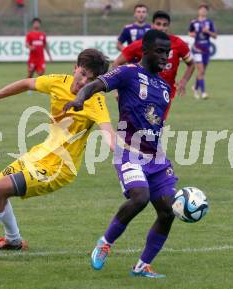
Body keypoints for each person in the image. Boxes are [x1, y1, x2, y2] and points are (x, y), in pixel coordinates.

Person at [0, 49, 115, 260]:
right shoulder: (59, 81)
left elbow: (108, 131)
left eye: (91, 79)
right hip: (39, 154)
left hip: (59, 168)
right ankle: (14, 240)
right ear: (75, 68)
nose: (84, 82)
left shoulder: (95, 101)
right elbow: (26, 83)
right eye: (82, 73)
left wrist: (123, 150)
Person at [64, 30, 177, 278]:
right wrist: (80, 99)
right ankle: (105, 242)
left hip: (156, 157)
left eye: (167, 52)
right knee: (139, 197)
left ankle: (142, 266)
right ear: (144, 50)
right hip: (128, 151)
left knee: (169, 211)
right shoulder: (127, 72)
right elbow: (96, 84)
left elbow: (154, 121)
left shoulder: (165, 86)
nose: (165, 57)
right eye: (159, 51)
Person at [113, 10, 194, 118]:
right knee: (139, 126)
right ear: (152, 25)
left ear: (168, 27)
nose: (161, 28)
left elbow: (191, 64)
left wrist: (184, 81)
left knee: (156, 127)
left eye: (165, 25)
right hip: (141, 91)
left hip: (165, 93)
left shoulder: (178, 43)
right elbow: (117, 63)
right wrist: (118, 90)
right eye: (158, 24)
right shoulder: (141, 44)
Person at [189, 4, 217, 99]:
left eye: (205, 10)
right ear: (198, 11)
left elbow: (215, 36)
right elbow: (190, 32)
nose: (203, 11)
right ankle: (203, 92)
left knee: (202, 72)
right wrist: (194, 34)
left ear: (206, 12)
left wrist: (208, 31)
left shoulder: (209, 22)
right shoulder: (194, 22)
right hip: (197, 49)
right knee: (200, 70)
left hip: (206, 49)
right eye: (201, 10)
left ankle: (195, 88)